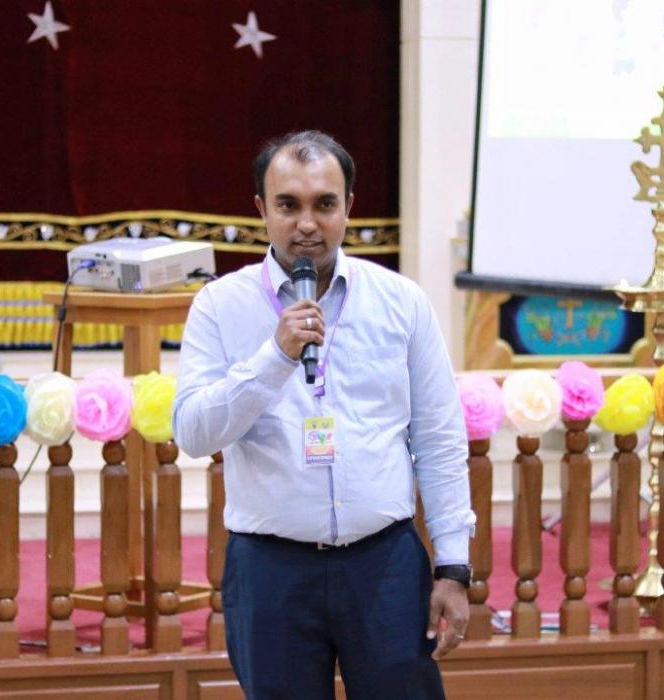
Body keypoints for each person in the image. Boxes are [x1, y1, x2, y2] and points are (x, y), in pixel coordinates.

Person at [173, 130, 475, 700]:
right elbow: (193, 432)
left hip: (384, 563)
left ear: (349, 207)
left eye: (324, 204)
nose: (307, 224)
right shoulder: (220, 305)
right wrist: (274, 356)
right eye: (288, 205)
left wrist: (454, 567)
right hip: (270, 570)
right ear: (262, 209)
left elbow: (438, 438)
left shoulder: (401, 301)